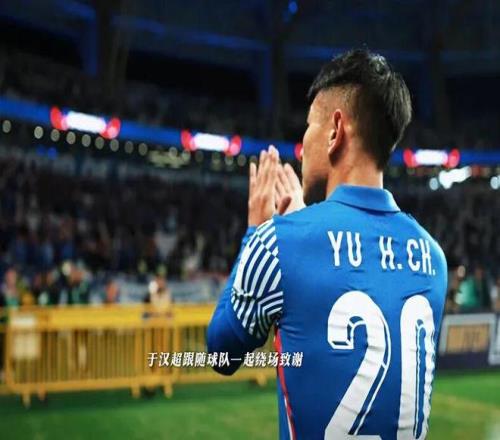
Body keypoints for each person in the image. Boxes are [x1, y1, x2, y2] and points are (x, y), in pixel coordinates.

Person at [207, 49, 448, 439]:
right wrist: (304, 225)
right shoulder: (434, 258)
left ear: (336, 130)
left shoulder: (277, 243)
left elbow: (221, 354)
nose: (303, 146)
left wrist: (256, 232)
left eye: (308, 127)